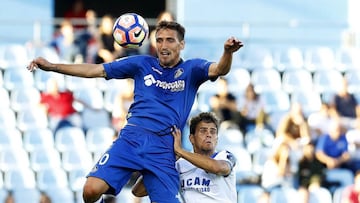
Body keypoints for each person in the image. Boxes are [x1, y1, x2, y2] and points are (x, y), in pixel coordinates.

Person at [27, 20, 243, 203]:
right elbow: (96, 70)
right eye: (159, 40)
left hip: (163, 147)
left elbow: (219, 69)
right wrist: (54, 66)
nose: (163, 45)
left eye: (170, 40)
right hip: (132, 137)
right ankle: (108, 197)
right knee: (90, 191)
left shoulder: (192, 70)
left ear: (182, 44)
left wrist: (227, 52)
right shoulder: (142, 64)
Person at [132, 112, 237, 203]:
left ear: (217, 139)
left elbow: (217, 168)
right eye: (203, 131)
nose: (209, 135)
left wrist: (180, 151)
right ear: (192, 138)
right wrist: (165, 162)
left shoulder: (224, 156)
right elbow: (138, 191)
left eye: (213, 131)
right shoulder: (179, 164)